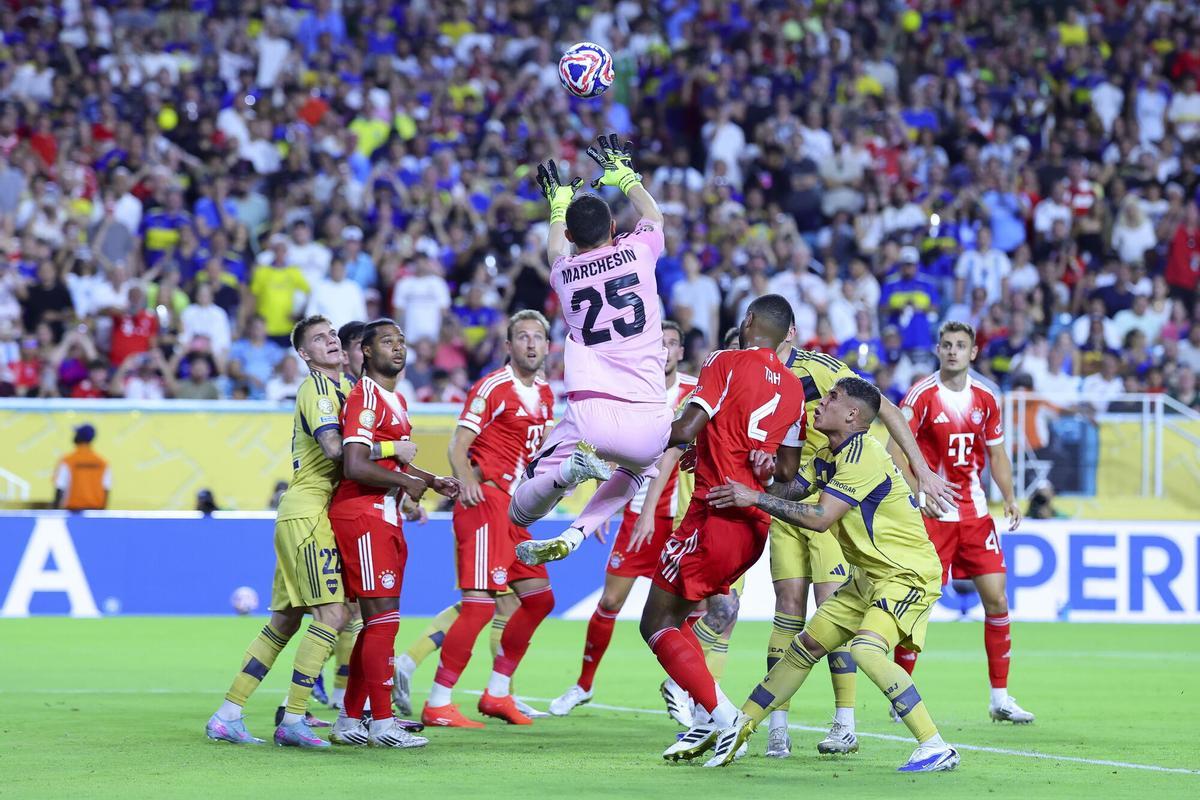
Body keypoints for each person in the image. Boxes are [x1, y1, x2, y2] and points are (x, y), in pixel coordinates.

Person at [698, 377, 959, 773]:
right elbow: (790, 493)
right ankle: (740, 726)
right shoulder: (831, 456)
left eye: (832, 398)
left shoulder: (864, 457)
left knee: (865, 649)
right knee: (803, 648)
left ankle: (935, 745)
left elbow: (820, 519)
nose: (820, 403)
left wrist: (755, 497)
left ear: (853, 415)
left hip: (906, 575)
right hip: (868, 578)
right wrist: (764, 477)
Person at [762, 329, 957, 758]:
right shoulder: (748, 372)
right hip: (796, 489)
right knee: (788, 614)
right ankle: (766, 727)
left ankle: (845, 722)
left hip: (835, 502)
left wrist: (920, 469)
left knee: (838, 616)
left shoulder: (821, 370)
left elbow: (879, 405)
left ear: (784, 332)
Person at [205, 315, 398, 748]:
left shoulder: (348, 390)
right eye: (318, 339)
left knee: (284, 623)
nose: (329, 342)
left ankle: (228, 713)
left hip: (308, 515)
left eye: (331, 335)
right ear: (305, 355)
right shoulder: (317, 389)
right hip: (309, 514)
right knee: (334, 614)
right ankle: (294, 718)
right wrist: (389, 449)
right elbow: (336, 450)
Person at [645, 294, 806, 762]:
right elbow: (788, 476)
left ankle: (723, 717)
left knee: (656, 622)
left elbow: (685, 426)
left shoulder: (725, 361)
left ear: (749, 321)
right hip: (753, 527)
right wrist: (761, 461)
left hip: (713, 513)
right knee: (692, 621)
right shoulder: (794, 389)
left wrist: (628, 436)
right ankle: (703, 720)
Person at [511, 134, 674, 566]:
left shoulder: (564, 274)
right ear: (615, 230)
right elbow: (654, 216)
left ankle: (568, 473)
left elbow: (554, 249)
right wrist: (626, 178)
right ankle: (578, 534)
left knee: (521, 509)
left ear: (569, 234)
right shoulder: (639, 253)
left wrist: (558, 204)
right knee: (636, 471)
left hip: (592, 417)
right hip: (651, 420)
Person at [400, 310, 557, 729]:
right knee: (479, 606)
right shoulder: (492, 386)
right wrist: (467, 479)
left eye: (537, 337)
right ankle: (438, 702)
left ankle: (498, 693)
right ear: (508, 346)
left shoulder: (545, 394)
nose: (530, 344)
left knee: (540, 598)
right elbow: (459, 442)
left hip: (515, 508)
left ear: (547, 346)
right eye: (521, 337)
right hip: (486, 502)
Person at [549, 320, 697, 716]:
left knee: (689, 610)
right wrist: (603, 507)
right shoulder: (632, 390)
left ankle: (683, 689)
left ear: (680, 351)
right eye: (659, 343)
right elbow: (610, 450)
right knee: (611, 600)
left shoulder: (694, 392)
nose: (665, 350)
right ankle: (582, 685)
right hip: (636, 515)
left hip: (677, 518)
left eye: (672, 343)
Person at [327, 319, 460, 748]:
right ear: (365, 351)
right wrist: (407, 485)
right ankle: (382, 723)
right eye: (387, 342)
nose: (398, 349)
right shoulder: (365, 396)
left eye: (401, 341)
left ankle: (351, 720)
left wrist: (431, 479)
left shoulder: (397, 399)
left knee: (377, 623)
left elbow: (393, 464)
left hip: (384, 517)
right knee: (382, 621)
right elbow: (355, 464)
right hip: (362, 514)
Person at [894, 321, 1033, 723]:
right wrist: (920, 493)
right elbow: (895, 451)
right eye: (947, 345)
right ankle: (900, 691)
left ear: (973, 353)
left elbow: (998, 454)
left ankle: (1000, 698)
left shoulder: (987, 396)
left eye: (960, 346)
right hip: (934, 517)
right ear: (938, 350)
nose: (953, 351)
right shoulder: (921, 395)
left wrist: (1008, 497)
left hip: (974, 516)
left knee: (998, 600)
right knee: (917, 604)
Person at [53, 423, 110, 510]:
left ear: (79, 437)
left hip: (73, 512)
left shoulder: (68, 460)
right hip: (96, 512)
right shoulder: (102, 462)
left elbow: (60, 488)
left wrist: (55, 512)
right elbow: (106, 489)